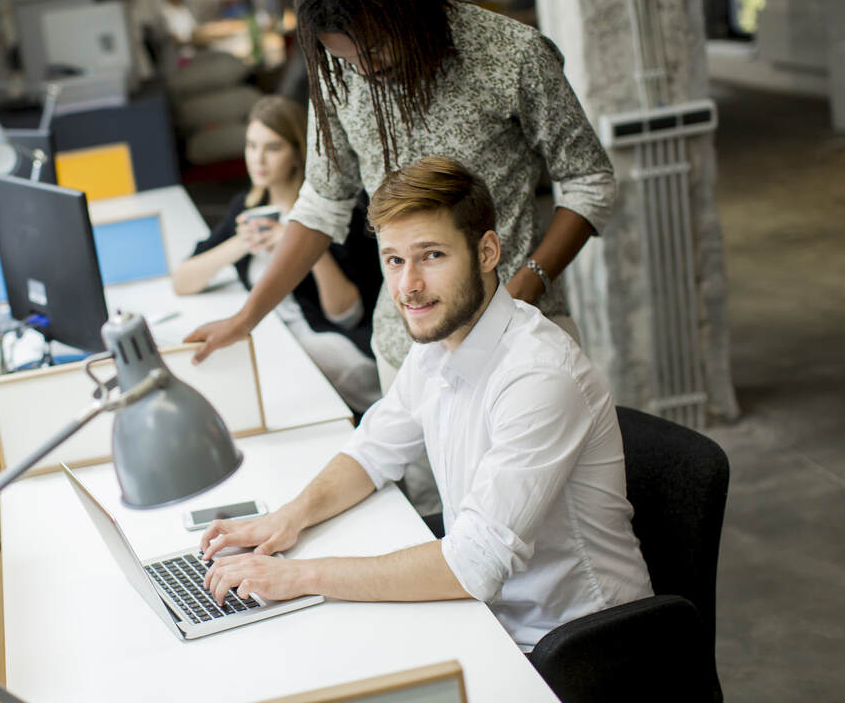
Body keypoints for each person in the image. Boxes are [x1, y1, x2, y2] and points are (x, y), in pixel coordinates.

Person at [184, 0, 617, 514]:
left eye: (373, 48)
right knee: (429, 520)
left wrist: (527, 283)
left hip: (516, 337)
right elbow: (322, 201)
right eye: (344, 55)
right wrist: (247, 316)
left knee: (533, 540)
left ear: (410, 9)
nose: (363, 68)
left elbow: (589, 180)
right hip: (407, 348)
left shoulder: (511, 55)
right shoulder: (338, 76)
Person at [199, 158, 652, 651]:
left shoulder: (538, 375)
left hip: (576, 646)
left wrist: (298, 577)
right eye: (394, 260)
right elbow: (371, 453)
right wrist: (286, 519)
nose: (408, 285)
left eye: (431, 255)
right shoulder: (437, 345)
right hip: (489, 619)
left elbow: (472, 565)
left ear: (487, 252)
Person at [172, 96, 381, 414]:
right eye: (251, 146)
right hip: (271, 335)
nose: (258, 159)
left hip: (327, 346)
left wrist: (302, 246)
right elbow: (182, 281)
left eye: (273, 148)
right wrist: (238, 244)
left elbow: (347, 315)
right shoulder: (247, 208)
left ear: (298, 153)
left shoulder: (335, 216)